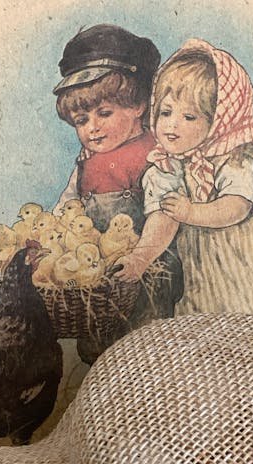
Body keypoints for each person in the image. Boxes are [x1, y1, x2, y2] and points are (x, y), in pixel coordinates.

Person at [116, 39, 253, 317]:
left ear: (219, 121)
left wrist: (191, 211)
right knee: (211, 316)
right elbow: (163, 217)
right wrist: (140, 258)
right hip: (209, 269)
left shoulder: (235, 161)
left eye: (189, 116)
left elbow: (236, 207)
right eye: (166, 112)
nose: (172, 124)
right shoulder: (165, 166)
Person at [52, 24, 183, 329]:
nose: (92, 128)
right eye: (81, 120)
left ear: (138, 105)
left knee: (144, 343)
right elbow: (67, 206)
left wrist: (139, 259)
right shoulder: (86, 161)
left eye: (104, 113)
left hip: (145, 274)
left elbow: (165, 216)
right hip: (97, 279)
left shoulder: (155, 156)